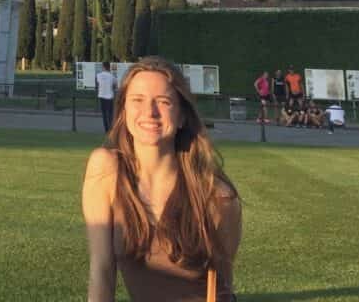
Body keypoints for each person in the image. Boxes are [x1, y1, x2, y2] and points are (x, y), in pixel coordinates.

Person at [82, 57, 242, 302]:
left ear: (181, 117)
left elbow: (222, 282)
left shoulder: (216, 196)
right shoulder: (106, 169)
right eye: (137, 100)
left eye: (164, 102)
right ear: (123, 110)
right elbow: (101, 270)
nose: (150, 112)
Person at [95, 62, 116, 133]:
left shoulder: (98, 75)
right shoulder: (112, 76)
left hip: (101, 96)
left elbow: (97, 86)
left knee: (104, 113)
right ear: (109, 67)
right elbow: (114, 86)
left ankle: (106, 129)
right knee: (110, 113)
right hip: (110, 96)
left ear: (103, 67)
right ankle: (111, 128)